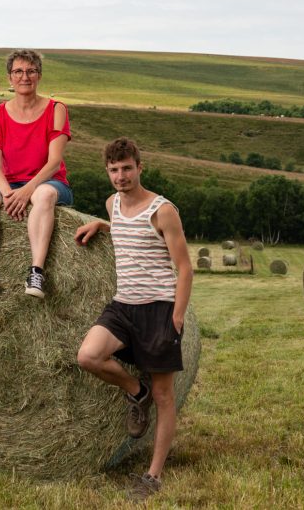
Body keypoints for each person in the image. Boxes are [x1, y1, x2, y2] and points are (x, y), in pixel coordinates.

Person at [74, 138, 193, 499]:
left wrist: (176, 317)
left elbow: (185, 268)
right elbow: (126, 229)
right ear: (107, 172)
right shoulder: (112, 205)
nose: (121, 176)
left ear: (140, 167)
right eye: (114, 170)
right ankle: (133, 390)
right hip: (123, 306)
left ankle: (153, 476)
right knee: (88, 356)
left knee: (164, 395)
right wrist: (100, 225)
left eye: (127, 168)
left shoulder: (163, 210)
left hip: (158, 308)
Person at [0, 49, 72, 303]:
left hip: (49, 182)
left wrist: (26, 191)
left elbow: (53, 163)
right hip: (9, 183)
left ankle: (36, 272)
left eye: (30, 71)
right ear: (10, 78)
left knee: (44, 194)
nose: (24, 77)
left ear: (39, 75)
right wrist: (8, 194)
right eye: (18, 71)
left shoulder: (56, 109)